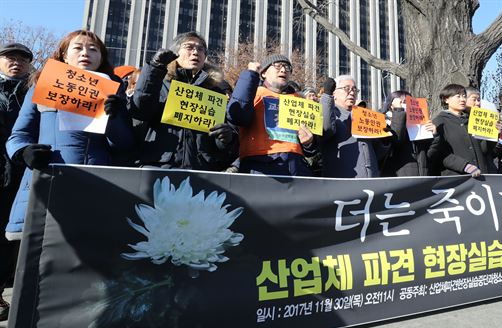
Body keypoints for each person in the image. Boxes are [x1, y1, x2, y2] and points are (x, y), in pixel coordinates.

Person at [5, 30, 134, 239]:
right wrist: (24, 152)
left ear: (101, 58)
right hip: (45, 184)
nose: (86, 53)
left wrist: (115, 117)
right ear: (64, 55)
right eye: (78, 47)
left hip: (94, 185)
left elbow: (124, 145)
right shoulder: (42, 84)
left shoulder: (114, 93)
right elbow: (18, 135)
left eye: (93, 49)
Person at [130, 31, 237, 171]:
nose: (195, 52)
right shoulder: (158, 83)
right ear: (175, 53)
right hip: (158, 167)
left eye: (201, 49)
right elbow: (140, 109)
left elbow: (225, 150)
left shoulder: (216, 93)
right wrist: (155, 69)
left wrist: (227, 139)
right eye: (189, 47)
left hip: (202, 172)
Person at [226, 54, 316, 176]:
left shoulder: (300, 101)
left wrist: (308, 143)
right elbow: (236, 114)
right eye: (277, 66)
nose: (283, 70)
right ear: (263, 73)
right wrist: (251, 74)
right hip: (260, 164)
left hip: (296, 166)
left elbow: (313, 149)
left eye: (287, 67)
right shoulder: (253, 94)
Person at [0, 42, 33, 321]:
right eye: (10, 57)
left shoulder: (36, 93)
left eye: (23, 59)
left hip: (23, 175)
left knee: (11, 241)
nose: (16, 63)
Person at [319, 75, 389, 178]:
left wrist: (385, 139)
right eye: (346, 88)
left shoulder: (363, 116)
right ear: (334, 93)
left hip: (371, 181)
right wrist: (327, 96)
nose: (352, 92)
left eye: (354, 89)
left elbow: (377, 152)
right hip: (344, 182)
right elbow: (326, 129)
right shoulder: (331, 114)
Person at [428, 84, 497, 177]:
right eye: (458, 96)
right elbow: (439, 153)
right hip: (456, 179)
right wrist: (464, 166)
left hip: (480, 176)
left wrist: (494, 133)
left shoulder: (472, 120)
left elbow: (483, 150)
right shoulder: (439, 122)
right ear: (446, 99)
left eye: (464, 96)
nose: (462, 99)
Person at [379, 90, 436, 176]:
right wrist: (398, 111)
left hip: (422, 174)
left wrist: (434, 134)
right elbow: (397, 139)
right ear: (391, 105)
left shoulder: (419, 124)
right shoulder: (384, 122)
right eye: (402, 102)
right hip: (399, 176)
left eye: (409, 102)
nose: (406, 105)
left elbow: (431, 151)